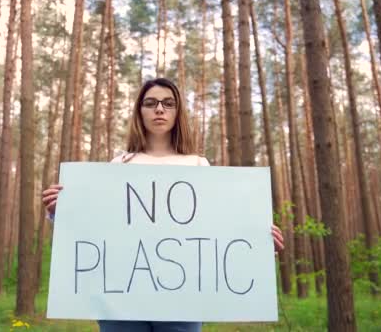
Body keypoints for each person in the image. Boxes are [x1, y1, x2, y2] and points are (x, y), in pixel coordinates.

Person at [42, 78, 284, 332]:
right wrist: (59, 212)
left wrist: (259, 247)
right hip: (121, 301)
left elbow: (218, 233)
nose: (159, 109)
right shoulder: (118, 165)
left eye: (168, 103)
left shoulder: (199, 165)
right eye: (150, 103)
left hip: (184, 301)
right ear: (140, 111)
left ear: (178, 112)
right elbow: (96, 230)